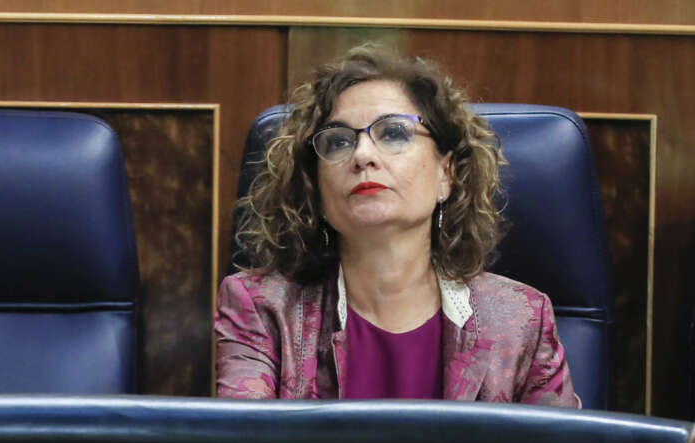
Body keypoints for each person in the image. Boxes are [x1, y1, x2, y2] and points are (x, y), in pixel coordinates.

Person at [215, 44, 579, 407]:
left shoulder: (521, 319)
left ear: (446, 175)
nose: (362, 155)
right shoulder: (261, 309)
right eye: (338, 141)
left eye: (392, 133)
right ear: (317, 191)